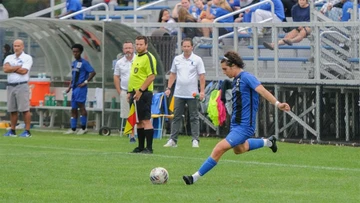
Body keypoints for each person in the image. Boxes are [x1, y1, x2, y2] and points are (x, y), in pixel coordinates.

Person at [182, 51, 291, 185]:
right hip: (236, 124)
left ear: (233, 65)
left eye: (225, 69)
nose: (224, 72)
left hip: (245, 126)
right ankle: (268, 142)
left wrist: (278, 104)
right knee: (239, 150)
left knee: (219, 149)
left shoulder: (246, 77)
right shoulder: (236, 80)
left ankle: (194, 177)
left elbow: (262, 90)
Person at [163, 38, 205, 148]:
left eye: (188, 46)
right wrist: (169, 88)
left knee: (194, 117)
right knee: (176, 116)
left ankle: (195, 140)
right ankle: (173, 139)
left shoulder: (197, 59)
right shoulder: (177, 59)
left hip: (192, 93)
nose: (186, 48)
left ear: (192, 47)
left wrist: (202, 91)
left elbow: (201, 76)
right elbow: (173, 74)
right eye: (184, 46)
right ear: (182, 47)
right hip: (179, 93)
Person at [128, 36, 157, 154]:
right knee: (138, 121)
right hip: (134, 93)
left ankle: (149, 148)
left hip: (143, 93)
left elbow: (151, 76)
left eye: (141, 44)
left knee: (145, 120)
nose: (138, 46)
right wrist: (129, 92)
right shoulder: (136, 57)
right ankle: (140, 147)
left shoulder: (148, 57)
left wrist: (140, 91)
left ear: (146, 45)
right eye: (137, 44)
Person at [3, 39, 33, 137]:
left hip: (22, 85)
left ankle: (27, 131)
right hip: (11, 85)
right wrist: (17, 67)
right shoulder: (9, 57)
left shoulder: (27, 58)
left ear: (22, 46)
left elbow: (24, 71)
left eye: (18, 46)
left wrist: (12, 68)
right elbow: (6, 69)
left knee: (24, 109)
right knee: (12, 109)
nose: (16, 48)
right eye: (15, 46)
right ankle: (12, 130)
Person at [64, 44, 96, 135]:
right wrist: (69, 88)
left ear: (80, 52)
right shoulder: (73, 63)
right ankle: (73, 129)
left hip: (81, 88)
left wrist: (85, 82)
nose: (75, 53)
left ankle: (83, 128)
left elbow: (93, 72)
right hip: (74, 88)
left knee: (81, 106)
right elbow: (73, 77)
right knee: (73, 108)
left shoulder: (84, 63)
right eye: (73, 51)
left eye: (77, 52)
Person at [113, 40, 136, 143]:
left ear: (133, 49)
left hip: (137, 92)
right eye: (126, 48)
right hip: (125, 91)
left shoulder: (138, 60)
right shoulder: (120, 62)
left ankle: (138, 133)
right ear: (123, 50)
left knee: (138, 114)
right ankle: (131, 135)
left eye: (130, 48)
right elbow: (116, 77)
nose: (128, 50)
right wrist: (120, 91)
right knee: (127, 114)